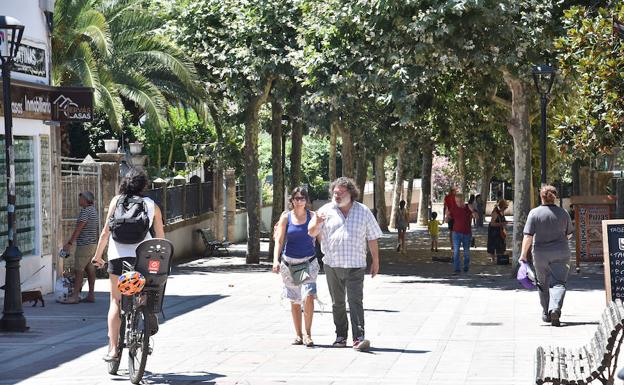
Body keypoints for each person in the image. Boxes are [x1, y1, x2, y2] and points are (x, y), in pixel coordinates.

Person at [91, 169, 165, 361]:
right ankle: (145, 310)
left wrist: (97, 256)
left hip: (117, 257)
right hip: (144, 256)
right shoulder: (151, 205)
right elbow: (161, 239)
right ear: (143, 186)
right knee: (144, 290)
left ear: (124, 184)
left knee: (115, 300)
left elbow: (105, 233)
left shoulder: (116, 201)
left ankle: (113, 350)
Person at [308, 177, 382, 352]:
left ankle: (359, 337)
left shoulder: (363, 211)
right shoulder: (325, 211)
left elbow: (372, 237)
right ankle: (341, 336)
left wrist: (376, 261)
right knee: (338, 303)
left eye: (341, 193)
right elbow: (311, 232)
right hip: (332, 265)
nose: (337, 195)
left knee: (355, 301)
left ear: (351, 193)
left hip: (356, 265)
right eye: (335, 192)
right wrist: (317, 222)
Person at [519, 185, 573, 327]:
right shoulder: (563, 213)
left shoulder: (534, 213)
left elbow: (528, 236)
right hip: (561, 252)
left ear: (541, 197)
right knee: (559, 283)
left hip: (540, 254)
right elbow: (569, 234)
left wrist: (523, 255)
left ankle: (545, 312)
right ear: (555, 197)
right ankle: (555, 308)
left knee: (542, 284)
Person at [272, 187, 319, 347]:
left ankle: (308, 334)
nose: (299, 201)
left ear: (307, 201)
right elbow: (279, 240)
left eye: (302, 198)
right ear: (291, 200)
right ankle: (298, 335)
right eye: (296, 198)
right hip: (289, 263)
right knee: (295, 300)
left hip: (308, 263)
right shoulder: (286, 217)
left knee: (308, 296)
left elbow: (321, 238)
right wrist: (275, 260)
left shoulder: (312, 216)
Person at [58, 191, 99, 304]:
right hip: (92, 244)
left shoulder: (85, 212)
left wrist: (69, 243)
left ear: (86, 200)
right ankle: (91, 294)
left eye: (80, 198)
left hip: (84, 245)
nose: (79, 200)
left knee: (78, 270)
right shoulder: (93, 210)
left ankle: (75, 296)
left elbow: (79, 228)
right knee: (90, 268)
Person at [446, 192, 478, 274]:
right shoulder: (453, 208)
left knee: (466, 252)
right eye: (457, 201)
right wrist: (447, 216)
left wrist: (473, 210)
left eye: (460, 201)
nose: (458, 203)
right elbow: (447, 220)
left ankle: (466, 266)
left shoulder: (468, 207)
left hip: (466, 233)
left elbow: (477, 217)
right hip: (456, 233)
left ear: (463, 200)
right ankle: (457, 269)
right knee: (456, 252)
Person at [443, 187, 458, 255]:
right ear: (453, 191)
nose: (456, 192)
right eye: (455, 191)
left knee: (451, 231)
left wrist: (445, 216)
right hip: (455, 215)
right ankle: (455, 245)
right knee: (456, 231)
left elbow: (445, 207)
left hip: (450, 216)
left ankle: (452, 245)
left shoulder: (447, 197)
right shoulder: (455, 197)